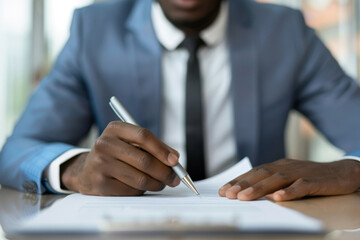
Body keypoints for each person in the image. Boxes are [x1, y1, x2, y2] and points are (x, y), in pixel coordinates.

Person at [0, 0, 360, 201]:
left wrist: (351, 168)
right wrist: (77, 169)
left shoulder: (285, 31)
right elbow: (16, 152)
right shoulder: (92, 31)